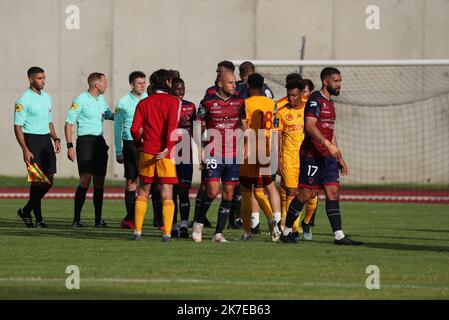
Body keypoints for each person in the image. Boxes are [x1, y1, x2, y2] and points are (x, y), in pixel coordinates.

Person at [281, 67, 363, 246]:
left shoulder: (331, 103)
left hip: (327, 156)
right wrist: (327, 145)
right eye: (336, 81)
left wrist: (338, 155)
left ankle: (339, 236)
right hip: (312, 155)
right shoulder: (315, 100)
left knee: (333, 192)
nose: (339, 84)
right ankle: (286, 231)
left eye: (340, 81)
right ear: (325, 81)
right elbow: (310, 126)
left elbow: (330, 132)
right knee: (306, 194)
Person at [193, 71, 246, 243]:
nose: (234, 86)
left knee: (229, 194)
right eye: (231, 83)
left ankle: (218, 233)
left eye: (235, 83)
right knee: (212, 191)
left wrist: (247, 146)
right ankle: (198, 223)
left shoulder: (239, 101)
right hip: (214, 153)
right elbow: (198, 124)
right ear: (220, 84)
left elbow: (244, 126)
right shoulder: (207, 102)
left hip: (233, 154)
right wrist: (200, 148)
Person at [130, 69, 180, 242]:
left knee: (143, 191)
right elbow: (172, 127)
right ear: (166, 82)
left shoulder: (143, 103)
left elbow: (134, 129)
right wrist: (168, 148)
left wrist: (140, 145)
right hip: (165, 153)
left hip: (147, 151)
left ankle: (137, 231)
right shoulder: (173, 102)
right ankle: (166, 233)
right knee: (167, 193)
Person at [65, 72, 114, 228]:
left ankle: (98, 220)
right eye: (104, 82)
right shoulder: (80, 99)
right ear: (96, 84)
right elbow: (68, 124)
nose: (106, 85)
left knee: (99, 181)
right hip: (85, 141)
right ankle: (76, 219)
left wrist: (120, 114)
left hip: (99, 142)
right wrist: (69, 146)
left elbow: (108, 115)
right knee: (85, 179)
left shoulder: (101, 99)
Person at [14, 66, 61, 228]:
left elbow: (49, 121)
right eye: (40, 78)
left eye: (44, 78)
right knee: (36, 181)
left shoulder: (47, 97)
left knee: (49, 181)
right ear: (31, 80)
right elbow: (18, 127)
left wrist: (55, 138)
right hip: (31, 141)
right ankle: (39, 219)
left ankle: (26, 210)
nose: (43, 81)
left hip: (46, 142)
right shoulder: (23, 100)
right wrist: (25, 149)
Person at [239, 73, 281, 241]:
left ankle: (247, 232)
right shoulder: (273, 104)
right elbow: (276, 128)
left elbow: (245, 127)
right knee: (262, 188)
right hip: (268, 149)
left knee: (247, 191)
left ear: (249, 86)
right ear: (263, 86)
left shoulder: (246, 103)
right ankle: (271, 218)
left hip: (251, 150)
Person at [275, 79, 318, 240]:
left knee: (311, 193)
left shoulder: (310, 108)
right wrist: (277, 159)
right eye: (288, 95)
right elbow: (277, 137)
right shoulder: (281, 112)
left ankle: (306, 222)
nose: (290, 98)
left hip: (308, 157)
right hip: (289, 157)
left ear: (301, 94)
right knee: (292, 191)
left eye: (294, 95)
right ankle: (292, 229)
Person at [114, 71, 148, 229]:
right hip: (130, 144)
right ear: (132, 84)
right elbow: (117, 127)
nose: (143, 85)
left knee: (149, 182)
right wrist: (118, 150)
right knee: (131, 181)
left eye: (144, 82)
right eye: (139, 83)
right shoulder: (123, 102)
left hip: (147, 143)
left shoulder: (149, 98)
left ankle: (132, 217)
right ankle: (131, 219)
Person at [169, 77, 196, 238]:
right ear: (171, 89)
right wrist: (178, 122)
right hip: (170, 151)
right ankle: (172, 225)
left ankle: (184, 224)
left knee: (184, 189)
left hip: (185, 151)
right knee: (171, 190)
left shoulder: (190, 106)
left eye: (183, 88)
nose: (181, 91)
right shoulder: (168, 105)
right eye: (178, 88)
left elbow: (197, 126)